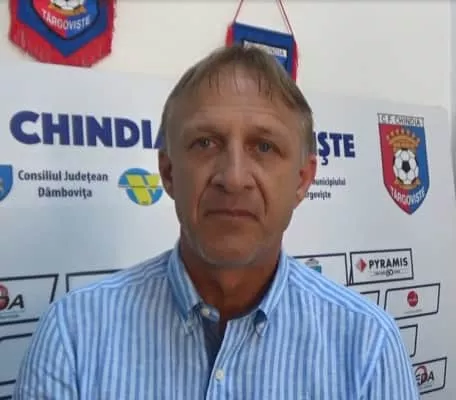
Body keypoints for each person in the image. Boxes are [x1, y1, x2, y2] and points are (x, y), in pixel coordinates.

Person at [13, 45, 419, 399]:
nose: (234, 177)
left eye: (264, 146)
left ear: (302, 180)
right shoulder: (73, 336)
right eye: (205, 143)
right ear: (168, 172)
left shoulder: (367, 346)